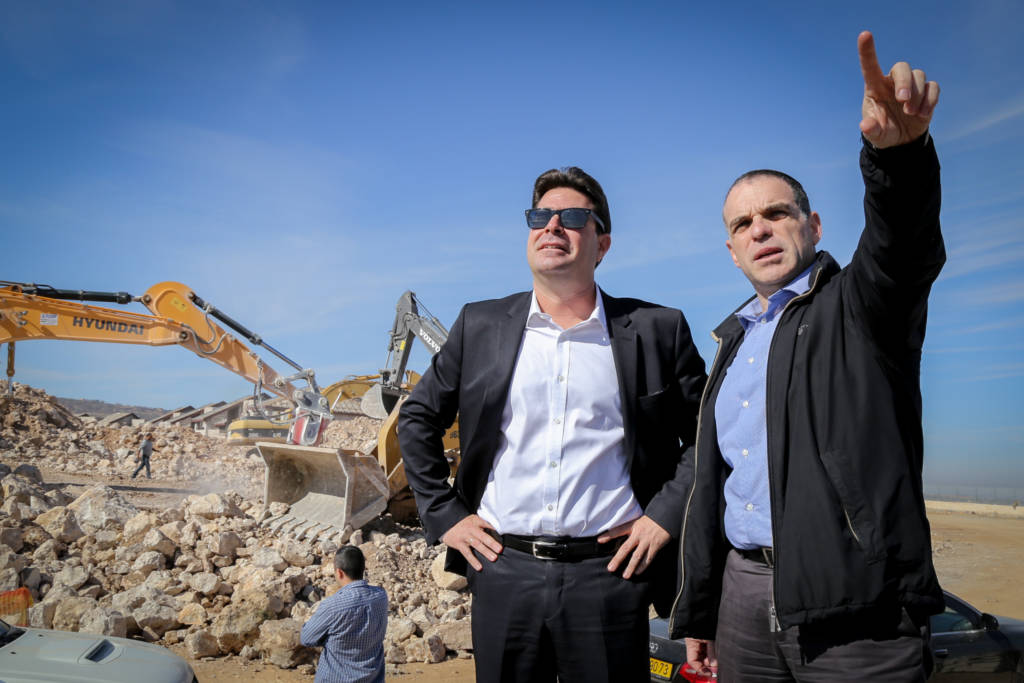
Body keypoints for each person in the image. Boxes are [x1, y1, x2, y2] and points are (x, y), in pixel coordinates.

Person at [671, 31, 945, 682]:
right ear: (732, 252)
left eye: (776, 212)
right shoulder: (732, 343)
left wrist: (899, 161)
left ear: (814, 225)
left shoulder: (861, 305)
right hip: (741, 598)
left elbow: (904, 249)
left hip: (857, 610)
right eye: (743, 224)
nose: (760, 228)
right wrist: (701, 611)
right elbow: (717, 486)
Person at [399, 166, 707, 683]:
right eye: (540, 216)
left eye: (572, 217)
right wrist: (445, 514)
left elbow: (706, 434)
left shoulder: (657, 330)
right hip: (502, 569)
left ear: (602, 243)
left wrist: (663, 517)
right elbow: (417, 416)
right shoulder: (480, 324)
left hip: (609, 575)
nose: (552, 227)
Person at [300, 546, 388, 683]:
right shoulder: (381, 596)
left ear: (339, 572)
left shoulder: (333, 605)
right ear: (362, 569)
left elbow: (306, 638)